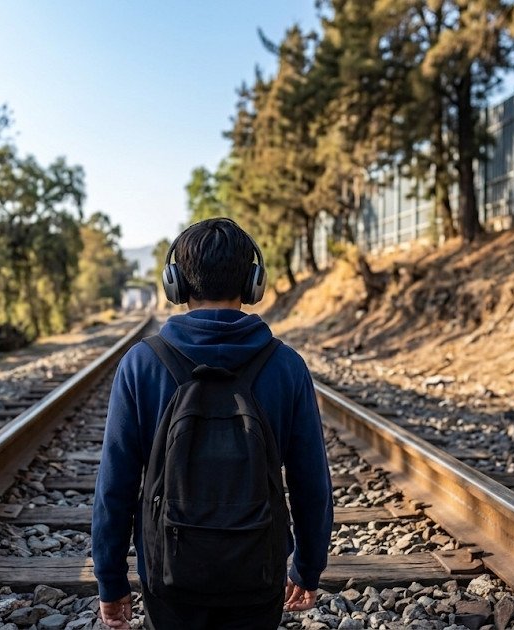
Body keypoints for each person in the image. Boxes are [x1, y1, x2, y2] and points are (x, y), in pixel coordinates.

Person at [92, 218, 333, 629]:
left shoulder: (141, 364)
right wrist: (307, 568)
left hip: (168, 570)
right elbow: (312, 481)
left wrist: (111, 580)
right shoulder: (286, 366)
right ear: (253, 281)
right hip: (258, 568)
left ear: (177, 284)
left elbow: (115, 484)